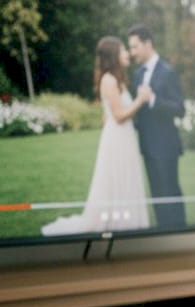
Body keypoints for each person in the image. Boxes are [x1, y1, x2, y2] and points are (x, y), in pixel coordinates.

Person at [41, 37, 153, 237]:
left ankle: (126, 222)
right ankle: (117, 223)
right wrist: (141, 100)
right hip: (119, 136)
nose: (127, 53)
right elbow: (119, 116)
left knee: (122, 176)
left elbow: (107, 115)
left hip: (121, 137)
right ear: (114, 56)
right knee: (116, 179)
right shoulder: (109, 80)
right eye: (123, 51)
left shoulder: (117, 80)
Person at [126, 24, 186, 228]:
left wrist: (152, 99)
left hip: (166, 147)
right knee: (157, 197)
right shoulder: (137, 74)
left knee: (170, 193)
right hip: (147, 147)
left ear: (147, 44)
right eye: (130, 48)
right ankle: (164, 233)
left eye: (135, 47)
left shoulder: (168, 72)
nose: (132, 53)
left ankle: (179, 234)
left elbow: (180, 109)